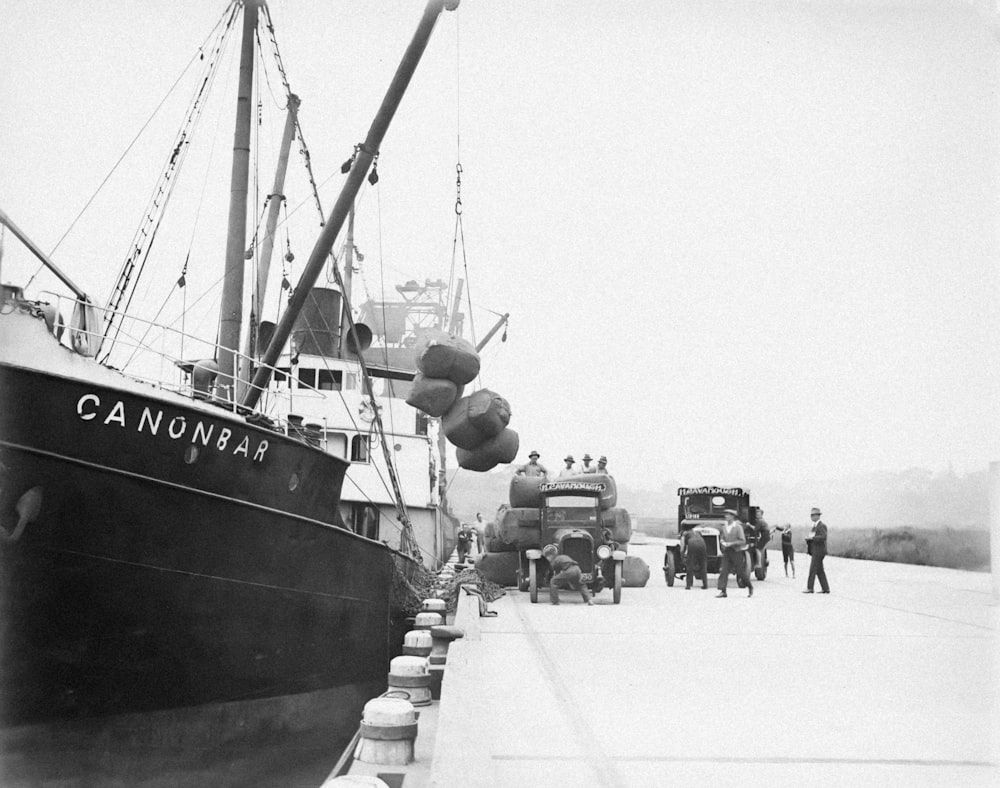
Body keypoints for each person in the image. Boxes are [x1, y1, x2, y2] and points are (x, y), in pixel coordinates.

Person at [717, 509, 753, 598]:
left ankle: (750, 586)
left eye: (728, 515)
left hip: (736, 552)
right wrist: (722, 541)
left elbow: (742, 540)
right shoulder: (724, 527)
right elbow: (722, 536)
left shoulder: (738, 527)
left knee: (740, 572)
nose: (726, 516)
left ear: (733, 517)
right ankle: (723, 591)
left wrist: (731, 543)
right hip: (727, 552)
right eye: (726, 515)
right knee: (723, 571)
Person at [803, 507, 830, 593]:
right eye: (811, 515)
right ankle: (825, 588)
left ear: (818, 516)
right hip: (815, 551)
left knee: (812, 569)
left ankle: (810, 588)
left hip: (819, 551)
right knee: (819, 570)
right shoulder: (814, 526)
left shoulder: (822, 526)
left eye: (813, 515)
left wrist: (812, 538)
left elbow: (823, 537)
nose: (811, 517)